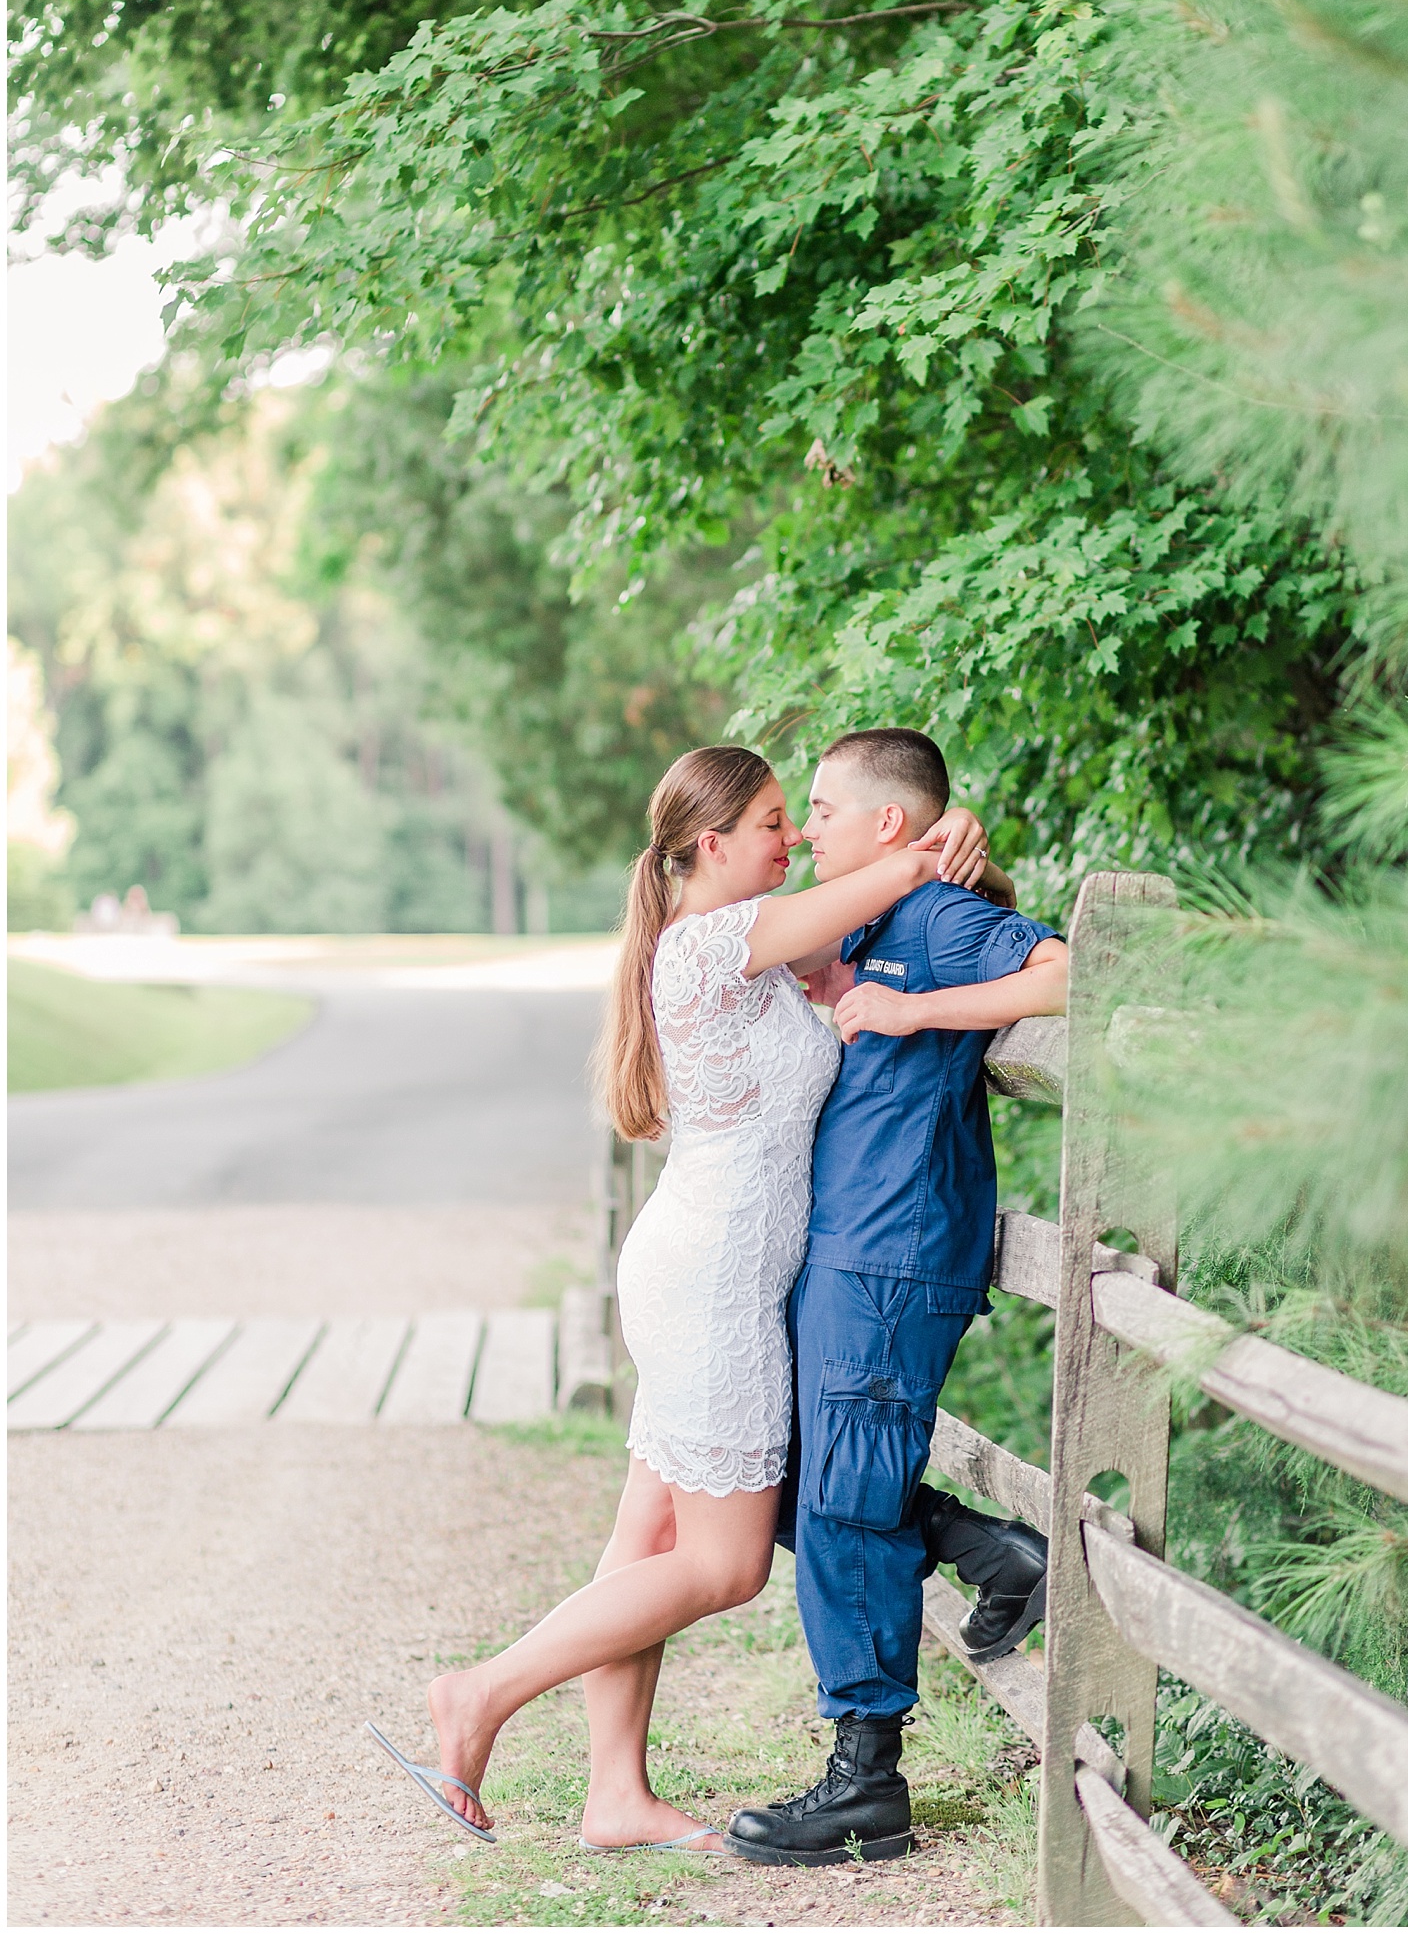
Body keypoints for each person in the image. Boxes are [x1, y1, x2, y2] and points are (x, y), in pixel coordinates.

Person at [367, 742, 1000, 1848]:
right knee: (724, 1563)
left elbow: (868, 934)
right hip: (712, 1283)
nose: (791, 837)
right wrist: (936, 841)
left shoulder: (748, 949)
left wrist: (943, 856)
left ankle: (615, 1793)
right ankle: (478, 1695)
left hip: (708, 1267)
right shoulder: (714, 939)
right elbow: (887, 873)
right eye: (770, 819)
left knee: (645, 1537)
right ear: (711, 845)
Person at [725, 728, 1067, 1868]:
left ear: (888, 821)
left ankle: (866, 1779)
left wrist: (915, 1012)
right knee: (780, 1478)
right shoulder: (871, 915)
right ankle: (987, 1546)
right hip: (844, 1248)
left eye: (821, 807)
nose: (807, 826)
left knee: (836, 1498)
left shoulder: (936, 921)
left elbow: (1066, 972)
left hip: (894, 1249)